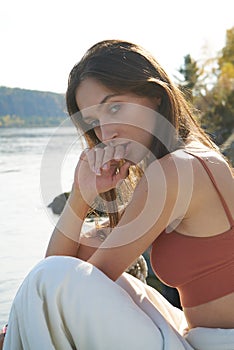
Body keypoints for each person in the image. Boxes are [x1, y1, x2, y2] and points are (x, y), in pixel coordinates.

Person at [2, 40, 234, 350]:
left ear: (154, 97)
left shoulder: (176, 170)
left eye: (114, 107)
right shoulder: (183, 163)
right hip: (202, 335)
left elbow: (70, 288)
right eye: (95, 122)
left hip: (219, 343)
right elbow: (68, 264)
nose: (107, 131)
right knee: (53, 275)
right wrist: (82, 194)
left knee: (47, 280)